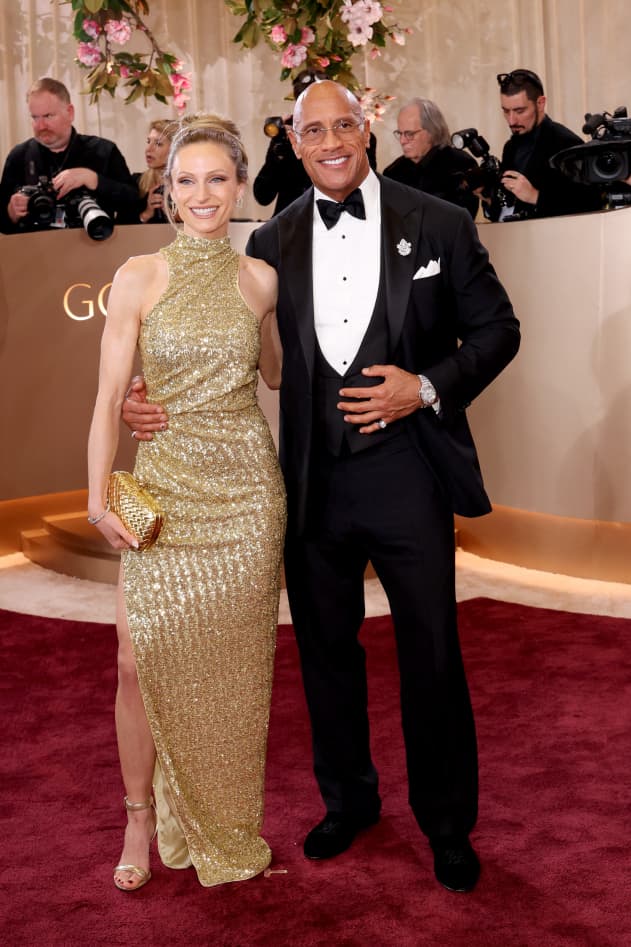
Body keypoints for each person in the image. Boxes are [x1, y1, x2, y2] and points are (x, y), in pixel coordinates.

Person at [123, 80, 520, 894]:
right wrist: (146, 398)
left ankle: (447, 824)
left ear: (364, 131)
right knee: (323, 654)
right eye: (313, 130)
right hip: (308, 481)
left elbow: (497, 330)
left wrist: (427, 384)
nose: (331, 140)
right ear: (293, 144)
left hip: (409, 471)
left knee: (431, 652)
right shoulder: (269, 243)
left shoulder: (437, 220)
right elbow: (226, 352)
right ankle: (349, 801)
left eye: (345, 124)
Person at [87, 114, 286, 891]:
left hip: (243, 495)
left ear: (238, 185)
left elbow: (270, 375)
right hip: (166, 487)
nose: (202, 194)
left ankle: (227, 821)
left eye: (216, 179)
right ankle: (139, 813)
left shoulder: (259, 277)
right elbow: (107, 399)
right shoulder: (138, 274)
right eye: (186, 180)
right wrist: (98, 495)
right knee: (134, 660)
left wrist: (265, 328)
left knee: (234, 668)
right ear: (166, 192)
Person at [0, 77, 137, 233]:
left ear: (70, 112)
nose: (41, 126)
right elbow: (3, 225)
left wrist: (93, 179)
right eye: (35, 117)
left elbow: (133, 203)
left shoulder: (103, 151)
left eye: (48, 116)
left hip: (94, 251)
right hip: (35, 253)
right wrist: (11, 213)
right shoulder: (19, 156)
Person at [253, 69, 377, 216]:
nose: (330, 144)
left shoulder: (356, 136)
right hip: (293, 226)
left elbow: (369, 189)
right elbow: (263, 195)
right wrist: (280, 150)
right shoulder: (285, 140)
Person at [486, 69, 603, 221]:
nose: (511, 121)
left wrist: (535, 196)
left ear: (540, 103)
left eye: (519, 111)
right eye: (506, 111)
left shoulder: (566, 142)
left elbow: (590, 204)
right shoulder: (510, 147)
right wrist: (489, 198)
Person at [383, 97, 479, 219]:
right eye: (400, 133)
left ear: (431, 131)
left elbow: (462, 219)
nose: (402, 141)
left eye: (409, 134)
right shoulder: (393, 172)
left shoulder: (460, 163)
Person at [133, 119, 177, 224]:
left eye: (158, 143)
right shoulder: (136, 182)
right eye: (148, 142)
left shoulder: (189, 184)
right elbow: (120, 228)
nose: (148, 149)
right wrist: (146, 215)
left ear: (175, 149)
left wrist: (175, 217)